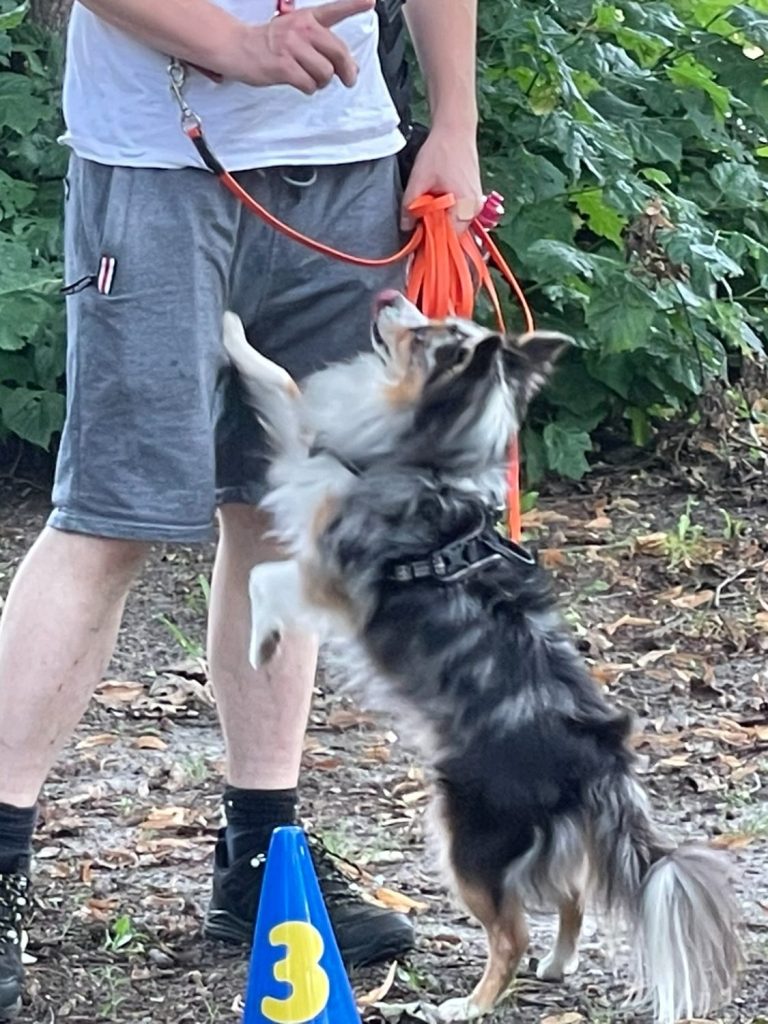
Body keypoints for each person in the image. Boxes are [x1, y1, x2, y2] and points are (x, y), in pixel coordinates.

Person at [0, 0, 482, 1015]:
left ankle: (263, 854)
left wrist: (453, 123)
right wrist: (230, 44)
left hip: (352, 164)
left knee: (283, 510)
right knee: (109, 520)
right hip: (154, 165)